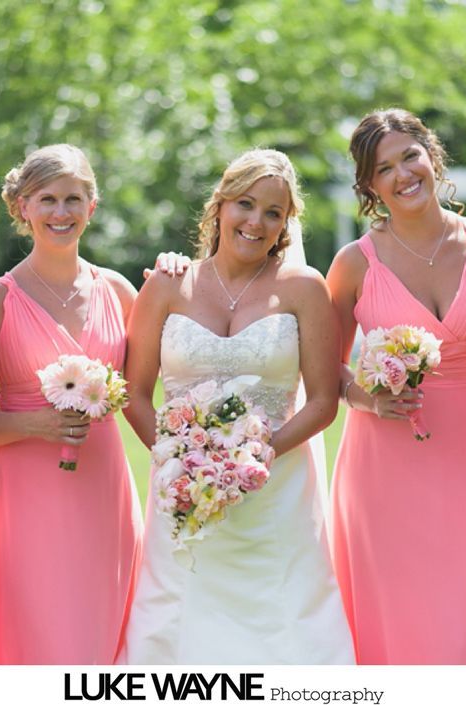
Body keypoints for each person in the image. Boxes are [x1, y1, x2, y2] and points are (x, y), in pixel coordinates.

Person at [117, 149, 355, 664]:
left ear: (285, 224)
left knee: (282, 619)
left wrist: (251, 459)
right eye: (245, 204)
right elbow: (134, 394)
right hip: (183, 491)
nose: (256, 222)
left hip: (277, 493)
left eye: (274, 212)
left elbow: (320, 403)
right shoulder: (166, 285)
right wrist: (181, 461)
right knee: (181, 617)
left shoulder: (304, 288)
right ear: (219, 206)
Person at [326, 108, 466, 664]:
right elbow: (326, 369)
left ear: (432, 156)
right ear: (369, 186)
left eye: (411, 155)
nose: (403, 174)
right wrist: (368, 396)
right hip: (385, 459)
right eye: (385, 168)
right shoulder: (354, 263)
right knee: (399, 606)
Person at [0, 144, 151, 664]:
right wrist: (36, 425)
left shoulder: (118, 291)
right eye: (47, 199)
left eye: (73, 199)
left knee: (109, 617)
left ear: (93, 206)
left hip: (103, 483)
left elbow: (148, 383)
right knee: (39, 624)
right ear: (23, 206)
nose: (61, 213)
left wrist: (178, 272)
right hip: (28, 492)